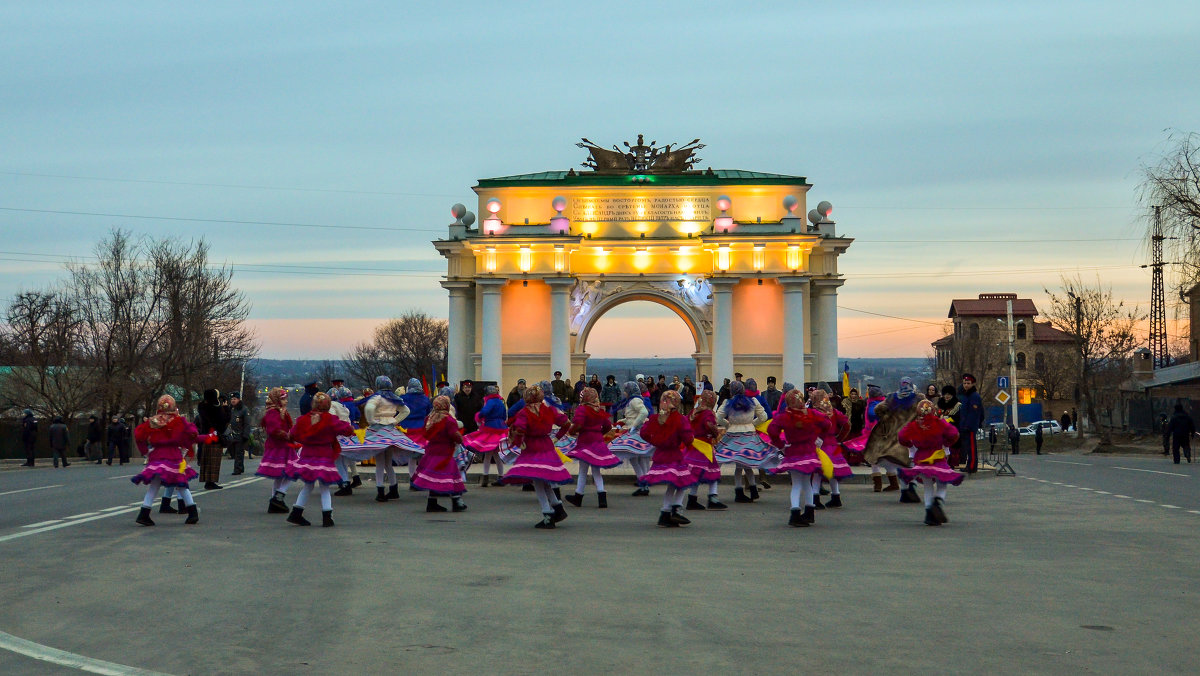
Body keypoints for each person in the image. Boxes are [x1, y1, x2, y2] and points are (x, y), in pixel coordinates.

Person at [131, 395, 213, 526]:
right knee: (181, 485)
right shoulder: (179, 421)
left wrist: (145, 452)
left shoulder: (153, 421)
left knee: (154, 486)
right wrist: (209, 437)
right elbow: (192, 436)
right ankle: (192, 512)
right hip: (174, 456)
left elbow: (139, 436)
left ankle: (144, 513)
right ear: (174, 407)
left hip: (156, 456)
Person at [502, 385, 572, 529]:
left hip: (532, 447)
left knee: (538, 483)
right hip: (547, 445)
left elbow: (520, 429)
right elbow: (566, 423)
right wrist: (556, 438)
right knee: (544, 480)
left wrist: (519, 442)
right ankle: (558, 509)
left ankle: (547, 515)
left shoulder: (524, 412)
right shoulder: (549, 409)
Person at [285, 393, 355, 527]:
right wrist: (351, 430)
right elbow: (345, 428)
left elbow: (293, 434)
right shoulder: (330, 419)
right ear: (328, 405)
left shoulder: (304, 419)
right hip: (324, 456)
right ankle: (327, 516)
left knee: (308, 485)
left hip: (307, 455)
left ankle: (296, 513)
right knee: (324, 487)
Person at [768, 389, 831, 527]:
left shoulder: (784, 416)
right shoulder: (811, 413)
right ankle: (809, 512)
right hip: (809, 452)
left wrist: (781, 445)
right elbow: (827, 424)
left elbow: (772, 430)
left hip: (793, 452)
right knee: (807, 482)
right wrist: (819, 439)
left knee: (796, 484)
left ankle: (795, 513)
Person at [897, 399, 963, 526]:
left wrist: (909, 444)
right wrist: (946, 443)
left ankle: (929, 513)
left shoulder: (914, 425)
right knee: (942, 482)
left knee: (928, 486)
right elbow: (954, 433)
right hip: (938, 457)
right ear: (933, 410)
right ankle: (938, 502)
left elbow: (901, 437)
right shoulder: (939, 423)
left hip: (922, 459)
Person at [638, 390, 698, 527]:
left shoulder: (654, 418)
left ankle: (665, 513)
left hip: (660, 455)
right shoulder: (680, 419)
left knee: (672, 485)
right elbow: (688, 438)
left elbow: (644, 433)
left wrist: (655, 441)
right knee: (682, 483)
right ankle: (676, 508)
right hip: (674, 456)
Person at [862, 377, 925, 503]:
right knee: (910, 462)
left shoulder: (893, 397)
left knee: (900, 463)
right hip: (913, 433)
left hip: (895, 435)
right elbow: (927, 409)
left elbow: (877, 409)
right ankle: (911, 487)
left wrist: (887, 418)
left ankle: (905, 491)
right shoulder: (918, 398)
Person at [714, 380, 772, 503]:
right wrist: (752, 424)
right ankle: (751, 489)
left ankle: (740, 491)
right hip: (749, 434)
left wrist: (728, 424)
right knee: (745, 464)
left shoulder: (728, 403)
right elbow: (764, 417)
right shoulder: (753, 401)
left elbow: (718, 417)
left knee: (740, 465)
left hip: (733, 434)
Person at [562, 387, 620, 508]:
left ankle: (578, 496)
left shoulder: (582, 409)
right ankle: (602, 497)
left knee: (583, 470)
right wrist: (599, 433)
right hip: (598, 441)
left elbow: (578, 424)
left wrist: (572, 432)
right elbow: (608, 426)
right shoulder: (599, 410)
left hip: (585, 441)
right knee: (596, 470)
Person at [412, 395, 468, 512]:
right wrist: (460, 439)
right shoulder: (448, 420)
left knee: (434, 477)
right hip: (445, 453)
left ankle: (432, 502)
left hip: (431, 452)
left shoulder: (429, 418)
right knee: (451, 476)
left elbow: (425, 433)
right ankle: (457, 502)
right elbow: (454, 435)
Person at [683, 389, 728, 510]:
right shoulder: (708, 413)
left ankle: (692, 499)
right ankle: (712, 498)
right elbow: (709, 425)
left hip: (694, 445)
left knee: (697, 472)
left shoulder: (694, 411)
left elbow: (686, 423)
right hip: (704, 446)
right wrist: (715, 433)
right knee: (713, 472)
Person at [609, 381, 654, 495]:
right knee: (640, 459)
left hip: (637, 432)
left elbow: (643, 412)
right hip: (637, 431)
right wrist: (622, 422)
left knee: (634, 459)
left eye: (625, 390)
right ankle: (644, 484)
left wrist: (634, 426)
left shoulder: (634, 400)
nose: (624, 392)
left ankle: (643, 483)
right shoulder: (634, 400)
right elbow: (632, 416)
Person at [257, 388, 298, 514]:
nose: (286, 401)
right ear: (277, 400)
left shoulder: (281, 411)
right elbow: (273, 430)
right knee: (293, 470)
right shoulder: (273, 412)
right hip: (279, 446)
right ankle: (279, 495)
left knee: (280, 475)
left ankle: (274, 501)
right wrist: (287, 436)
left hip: (283, 445)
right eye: (283, 398)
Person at [810, 390, 852, 509]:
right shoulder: (834, 411)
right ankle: (836, 497)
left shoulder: (813, 413)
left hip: (819, 444)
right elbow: (847, 425)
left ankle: (815, 498)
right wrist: (840, 437)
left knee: (817, 473)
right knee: (833, 472)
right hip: (834, 444)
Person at [463, 385, 508, 486]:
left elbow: (485, 411)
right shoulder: (500, 402)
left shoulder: (490, 401)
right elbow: (505, 415)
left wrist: (478, 416)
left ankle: (485, 479)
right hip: (501, 428)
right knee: (496, 455)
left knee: (488, 455)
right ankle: (501, 477)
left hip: (490, 428)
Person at [195, 389, 229, 490]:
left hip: (206, 435)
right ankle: (211, 481)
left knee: (207, 460)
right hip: (215, 435)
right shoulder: (215, 408)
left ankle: (207, 480)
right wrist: (226, 408)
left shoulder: (202, 407)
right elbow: (225, 419)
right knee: (214, 460)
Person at [957, 374, 984, 473]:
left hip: (970, 427)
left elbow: (974, 413)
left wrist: (968, 425)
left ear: (972, 384)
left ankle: (972, 466)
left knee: (972, 448)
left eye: (968, 383)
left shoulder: (974, 396)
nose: (966, 385)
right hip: (964, 426)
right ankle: (969, 465)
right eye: (964, 383)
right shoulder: (965, 396)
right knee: (968, 448)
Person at [227, 392, 252, 475]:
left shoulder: (244, 409)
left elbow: (247, 423)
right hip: (231, 434)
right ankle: (240, 467)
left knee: (239, 452)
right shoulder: (231, 409)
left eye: (234, 399)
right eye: (232, 399)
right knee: (233, 452)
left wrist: (245, 435)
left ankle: (237, 469)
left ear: (238, 399)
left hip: (240, 434)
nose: (233, 401)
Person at [937, 385, 962, 466]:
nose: (947, 396)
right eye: (945, 394)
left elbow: (958, 418)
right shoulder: (940, 404)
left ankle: (952, 463)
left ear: (952, 395)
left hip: (953, 430)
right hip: (941, 431)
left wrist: (947, 419)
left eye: (949, 394)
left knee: (953, 447)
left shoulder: (957, 405)